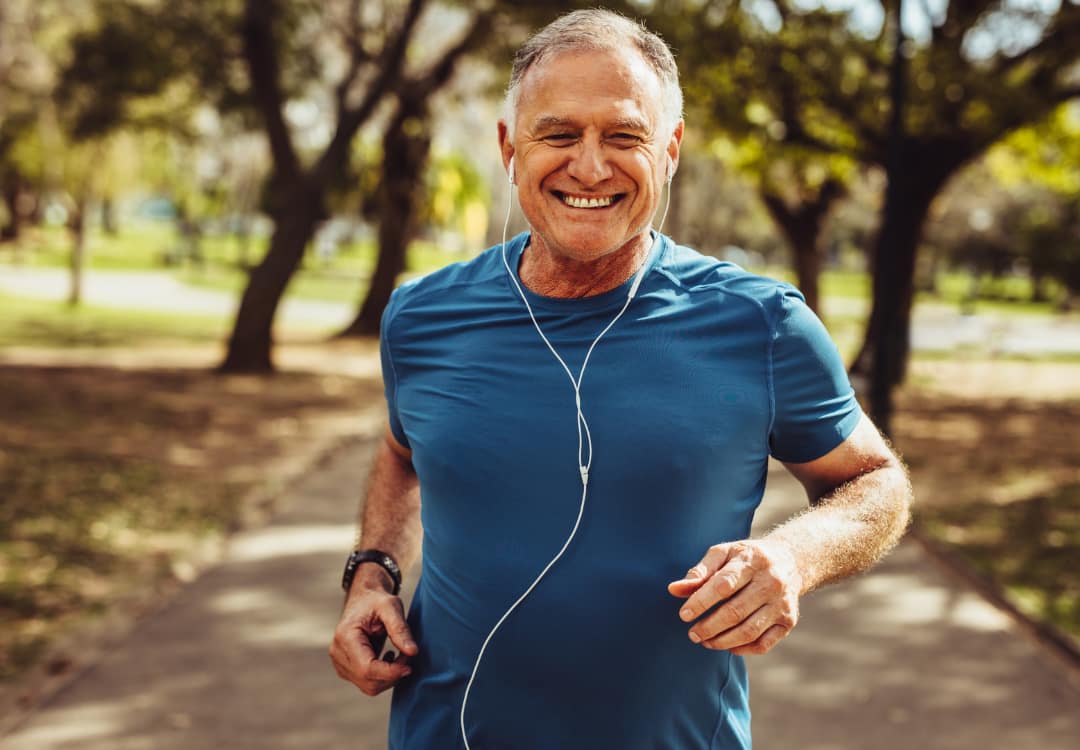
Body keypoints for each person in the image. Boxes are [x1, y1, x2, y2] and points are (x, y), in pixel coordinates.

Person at [329, 9, 911, 749]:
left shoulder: (762, 323)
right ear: (511, 147)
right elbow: (403, 452)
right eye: (559, 133)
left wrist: (793, 559)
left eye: (625, 136)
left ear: (669, 150)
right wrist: (372, 575)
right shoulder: (421, 315)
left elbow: (876, 482)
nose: (591, 166)